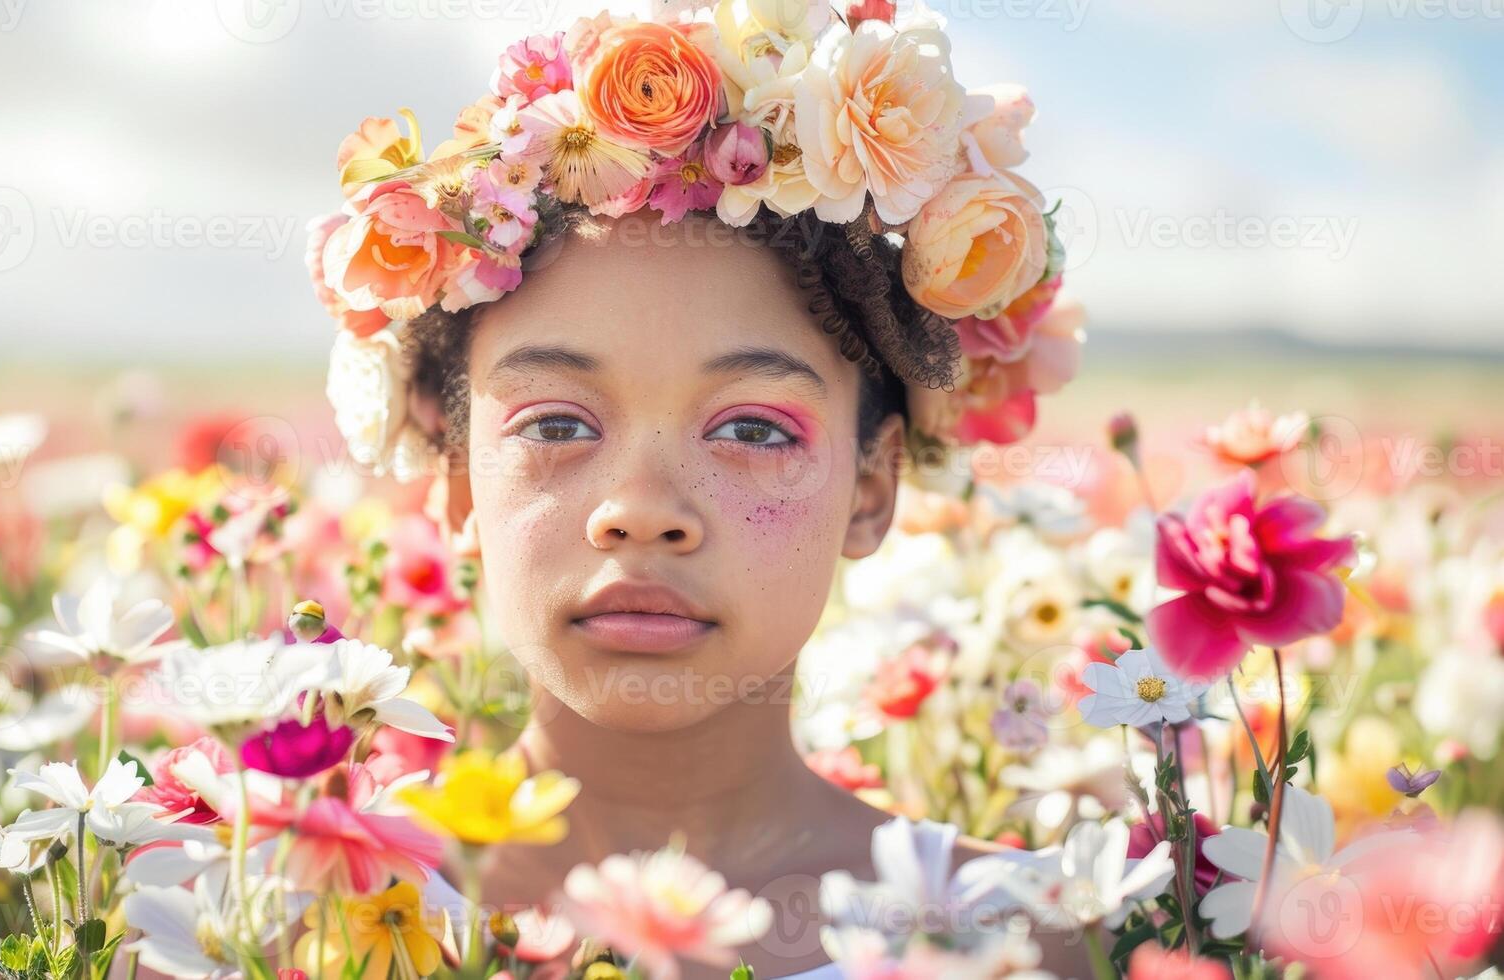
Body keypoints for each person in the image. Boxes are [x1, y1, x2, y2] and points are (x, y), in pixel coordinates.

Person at [308, 2, 1088, 974]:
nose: (639, 507)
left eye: (752, 429)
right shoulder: (303, 915)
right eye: (555, 423)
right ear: (457, 479)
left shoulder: (1016, 938)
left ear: (870, 488)